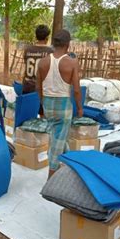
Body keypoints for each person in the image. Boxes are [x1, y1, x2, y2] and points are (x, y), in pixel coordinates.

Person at [37, 29, 83, 179]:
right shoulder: (71, 62)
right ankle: (51, 176)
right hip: (63, 106)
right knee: (58, 140)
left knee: (59, 138)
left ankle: (71, 166)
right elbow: (76, 90)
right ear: (68, 45)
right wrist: (80, 108)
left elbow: (38, 87)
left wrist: (43, 104)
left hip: (48, 104)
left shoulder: (43, 62)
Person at [22, 24, 54, 94]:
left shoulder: (27, 50)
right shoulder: (50, 52)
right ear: (47, 38)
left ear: (36, 36)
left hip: (27, 88)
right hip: (42, 90)